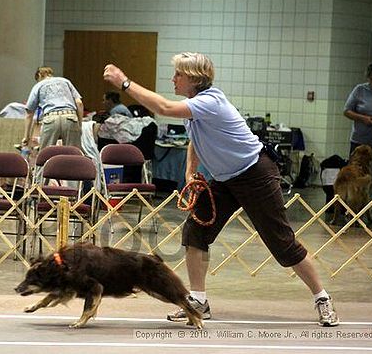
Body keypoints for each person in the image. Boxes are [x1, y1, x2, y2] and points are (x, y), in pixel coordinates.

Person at [103, 52, 339, 327]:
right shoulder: (194, 105)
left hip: (255, 174)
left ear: (193, 78)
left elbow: (165, 108)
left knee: (282, 244)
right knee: (195, 232)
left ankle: (322, 298)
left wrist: (125, 83)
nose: (173, 79)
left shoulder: (210, 102)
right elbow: (195, 139)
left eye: (178, 74)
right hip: (225, 179)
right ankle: (198, 301)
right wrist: (191, 172)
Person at [343, 62, 372, 220]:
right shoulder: (359, 90)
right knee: (355, 173)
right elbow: (347, 111)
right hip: (360, 141)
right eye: (371, 79)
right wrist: (364, 118)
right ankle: (351, 207)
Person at [22, 66, 83, 150]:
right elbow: (79, 103)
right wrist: (79, 124)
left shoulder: (38, 86)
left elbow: (29, 114)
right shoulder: (65, 81)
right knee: (73, 154)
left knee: (45, 154)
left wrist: (26, 137)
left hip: (51, 118)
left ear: (39, 75)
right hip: (70, 117)